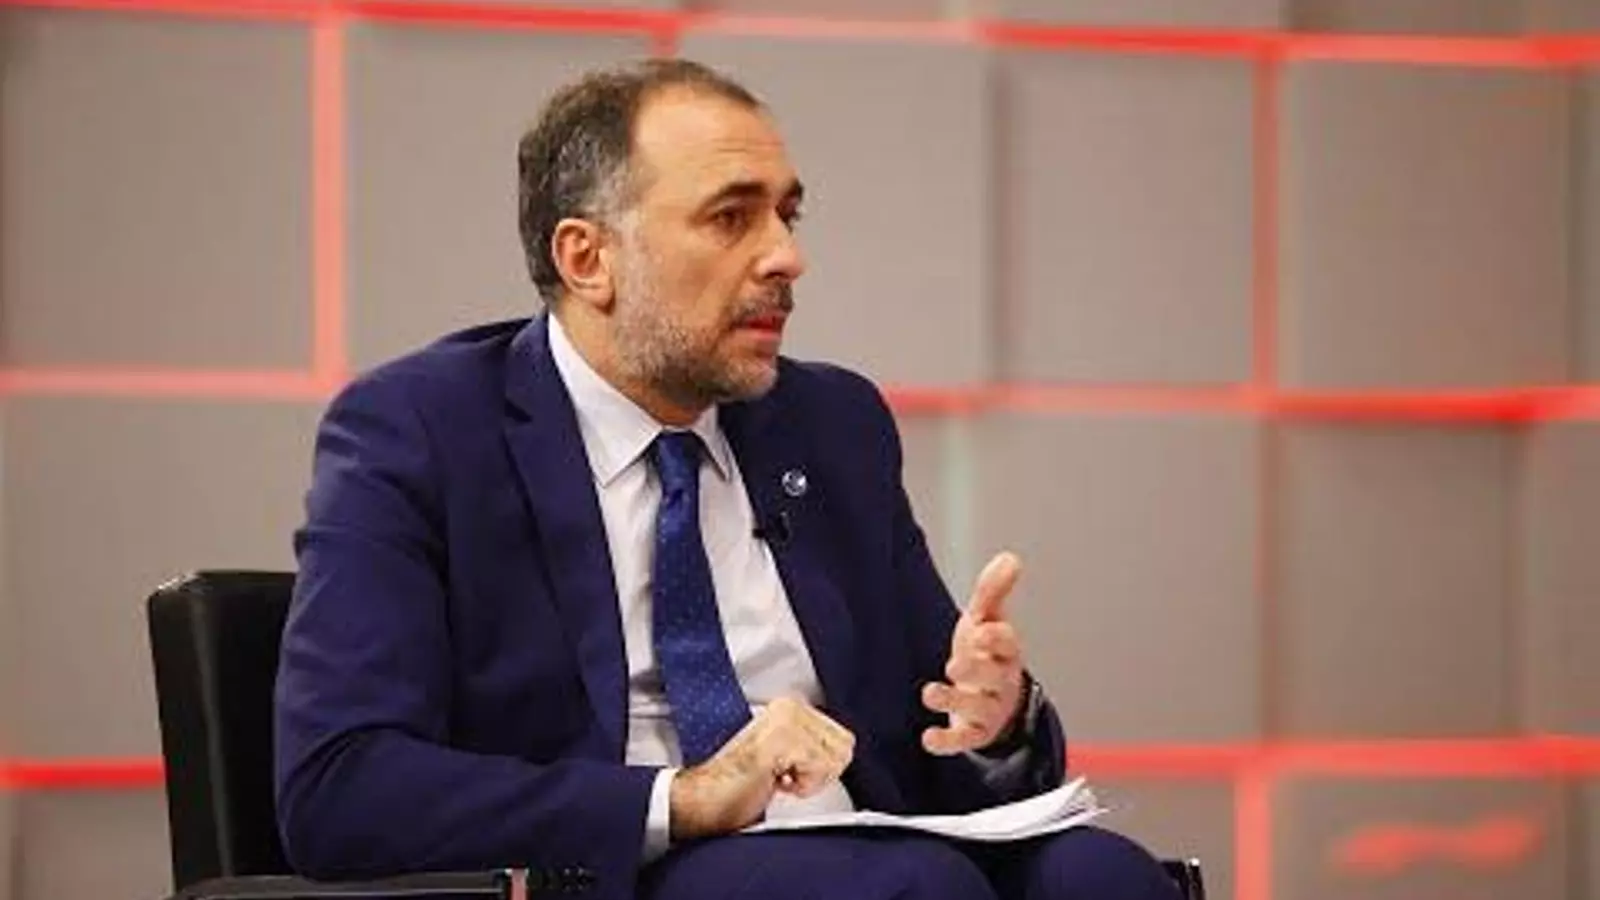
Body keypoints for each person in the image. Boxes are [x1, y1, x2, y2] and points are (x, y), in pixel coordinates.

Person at [274, 58, 1182, 900]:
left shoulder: (833, 425)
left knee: (1103, 877)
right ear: (588, 259)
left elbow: (932, 744)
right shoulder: (422, 430)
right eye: (731, 217)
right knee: (910, 890)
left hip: (862, 848)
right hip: (628, 865)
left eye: (788, 215)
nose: (786, 256)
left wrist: (994, 721)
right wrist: (688, 798)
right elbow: (340, 787)